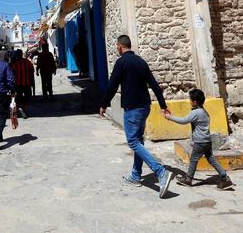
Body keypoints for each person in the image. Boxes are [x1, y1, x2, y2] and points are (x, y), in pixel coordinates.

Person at [100, 34, 172, 198]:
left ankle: (160, 171)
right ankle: (135, 175)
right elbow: (154, 84)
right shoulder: (141, 61)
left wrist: (103, 104)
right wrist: (163, 105)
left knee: (133, 141)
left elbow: (112, 85)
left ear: (119, 46)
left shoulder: (121, 62)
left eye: (117, 47)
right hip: (145, 107)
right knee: (138, 140)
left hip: (132, 109)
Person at [164, 88, 234, 190]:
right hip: (207, 141)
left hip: (200, 142)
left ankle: (188, 179)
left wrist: (169, 117)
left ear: (195, 102)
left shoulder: (196, 113)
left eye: (190, 100)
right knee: (211, 159)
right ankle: (225, 178)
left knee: (193, 160)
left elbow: (184, 121)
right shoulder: (204, 111)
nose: (189, 101)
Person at [10, 49, 34, 118]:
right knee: (28, 96)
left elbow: (11, 72)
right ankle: (22, 107)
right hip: (26, 83)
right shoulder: (26, 61)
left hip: (17, 84)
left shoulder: (14, 63)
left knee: (19, 97)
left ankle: (20, 107)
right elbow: (32, 69)